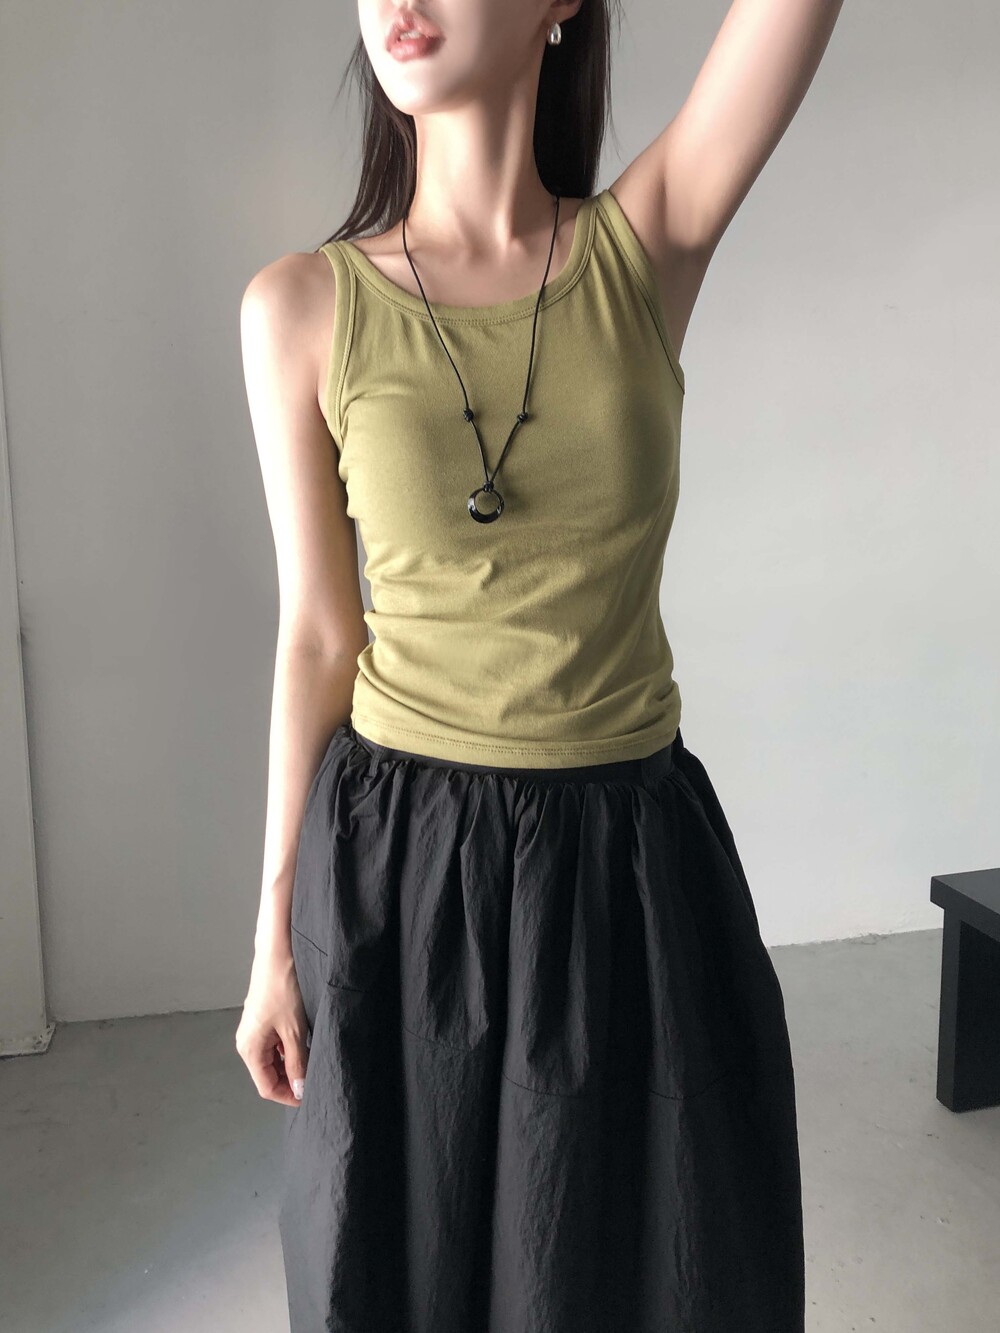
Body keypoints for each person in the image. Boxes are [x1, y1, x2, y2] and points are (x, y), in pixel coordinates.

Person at [237, 0, 845, 1327]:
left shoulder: (647, 244)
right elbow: (320, 633)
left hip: (630, 861)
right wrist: (273, 931)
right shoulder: (301, 307)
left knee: (646, 1268)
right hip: (404, 868)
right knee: (411, 1271)